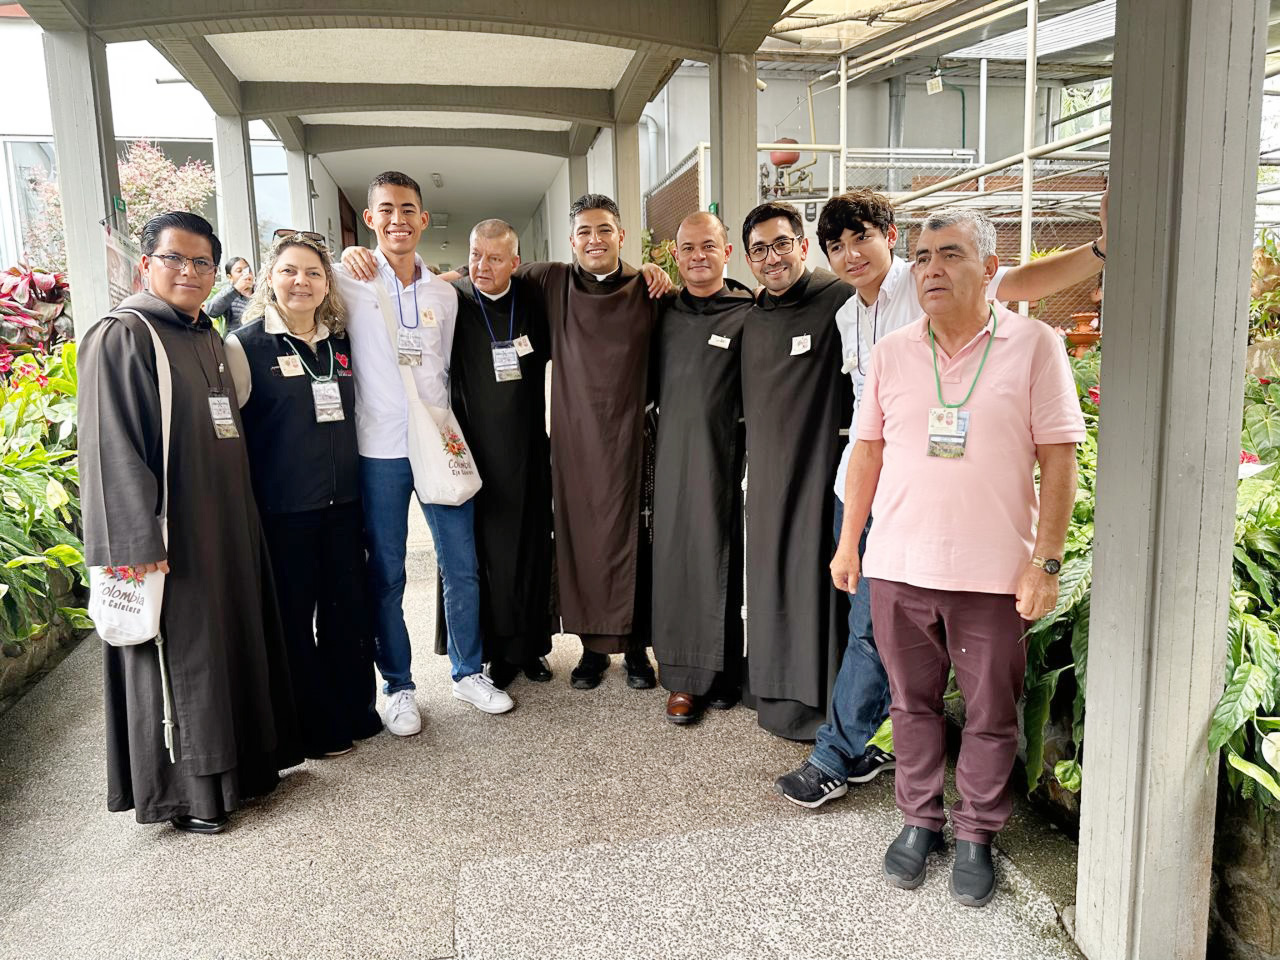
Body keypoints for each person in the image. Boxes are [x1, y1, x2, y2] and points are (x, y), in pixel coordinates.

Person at [775, 188, 1107, 807]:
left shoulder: (927, 276)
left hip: (942, 507)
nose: (851, 255)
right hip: (868, 490)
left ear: (890, 238)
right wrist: (848, 534)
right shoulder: (848, 314)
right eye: (836, 246)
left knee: (879, 635)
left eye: (861, 238)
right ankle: (865, 754)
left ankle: (839, 755)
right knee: (870, 630)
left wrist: (1101, 250)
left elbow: (1023, 280)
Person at [831, 207, 1084, 907]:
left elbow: (1060, 461)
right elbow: (867, 453)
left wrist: (1046, 562)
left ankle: (976, 832)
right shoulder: (893, 352)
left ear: (991, 269)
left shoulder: (1035, 345)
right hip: (898, 567)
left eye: (950, 254)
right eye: (922, 257)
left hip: (993, 575)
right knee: (910, 706)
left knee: (991, 712)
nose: (931, 269)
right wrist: (850, 543)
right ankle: (919, 820)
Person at [78, 211, 301, 834]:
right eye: (174, 258)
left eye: (202, 262)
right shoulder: (124, 334)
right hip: (168, 533)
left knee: (230, 639)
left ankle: (247, 769)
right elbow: (108, 445)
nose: (189, 271)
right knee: (187, 654)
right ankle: (194, 797)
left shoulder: (206, 335)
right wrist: (134, 541)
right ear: (145, 264)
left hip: (224, 519)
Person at [334, 170, 513, 735]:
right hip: (379, 446)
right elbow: (287, 274)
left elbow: (447, 368)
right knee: (387, 572)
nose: (397, 220)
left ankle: (467, 672)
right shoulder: (346, 280)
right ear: (370, 219)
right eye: (385, 209)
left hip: (437, 442)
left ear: (423, 218)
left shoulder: (443, 293)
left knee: (461, 564)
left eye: (407, 209)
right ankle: (399, 686)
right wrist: (341, 254)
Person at [224, 231, 382, 758]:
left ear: (327, 284)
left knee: (347, 613)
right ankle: (315, 729)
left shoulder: (341, 343)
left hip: (345, 506)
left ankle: (356, 711)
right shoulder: (244, 347)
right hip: (284, 510)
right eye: (289, 271)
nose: (301, 282)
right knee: (294, 621)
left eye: (314, 273)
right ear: (270, 279)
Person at [519, 195, 667, 690]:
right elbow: (490, 271)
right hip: (577, 439)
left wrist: (655, 271)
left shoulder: (647, 287)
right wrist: (437, 277)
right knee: (582, 541)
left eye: (604, 229)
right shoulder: (552, 281)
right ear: (571, 240)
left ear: (621, 236)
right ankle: (592, 650)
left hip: (633, 437)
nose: (594, 240)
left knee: (638, 539)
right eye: (584, 231)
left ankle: (638, 650)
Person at [738, 201, 851, 740]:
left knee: (817, 581)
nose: (772, 257)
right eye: (759, 250)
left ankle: (823, 701)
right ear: (748, 260)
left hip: (822, 470)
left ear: (803, 246)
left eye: (782, 244)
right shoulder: (751, 315)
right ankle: (772, 688)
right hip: (766, 476)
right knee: (769, 580)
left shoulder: (841, 299)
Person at [651, 212, 754, 724]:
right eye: (688, 247)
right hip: (672, 455)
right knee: (678, 560)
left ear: (726, 251)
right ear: (675, 254)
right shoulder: (660, 311)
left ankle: (723, 671)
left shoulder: (749, 312)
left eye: (708, 246)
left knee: (725, 558)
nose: (698, 256)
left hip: (727, 456)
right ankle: (683, 679)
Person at [447, 219, 554, 688]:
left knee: (532, 547)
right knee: (490, 555)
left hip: (528, 448)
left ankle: (533, 648)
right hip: (477, 450)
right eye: (475, 255)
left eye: (494, 258)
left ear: (515, 262)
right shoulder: (454, 301)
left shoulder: (534, 300)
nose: (482, 266)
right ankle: (499, 653)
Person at [206, 255, 254, 332]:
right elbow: (211, 311)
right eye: (239, 271)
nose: (245, 274)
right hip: (237, 338)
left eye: (248, 269)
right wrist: (236, 289)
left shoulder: (260, 291)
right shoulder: (228, 293)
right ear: (230, 277)